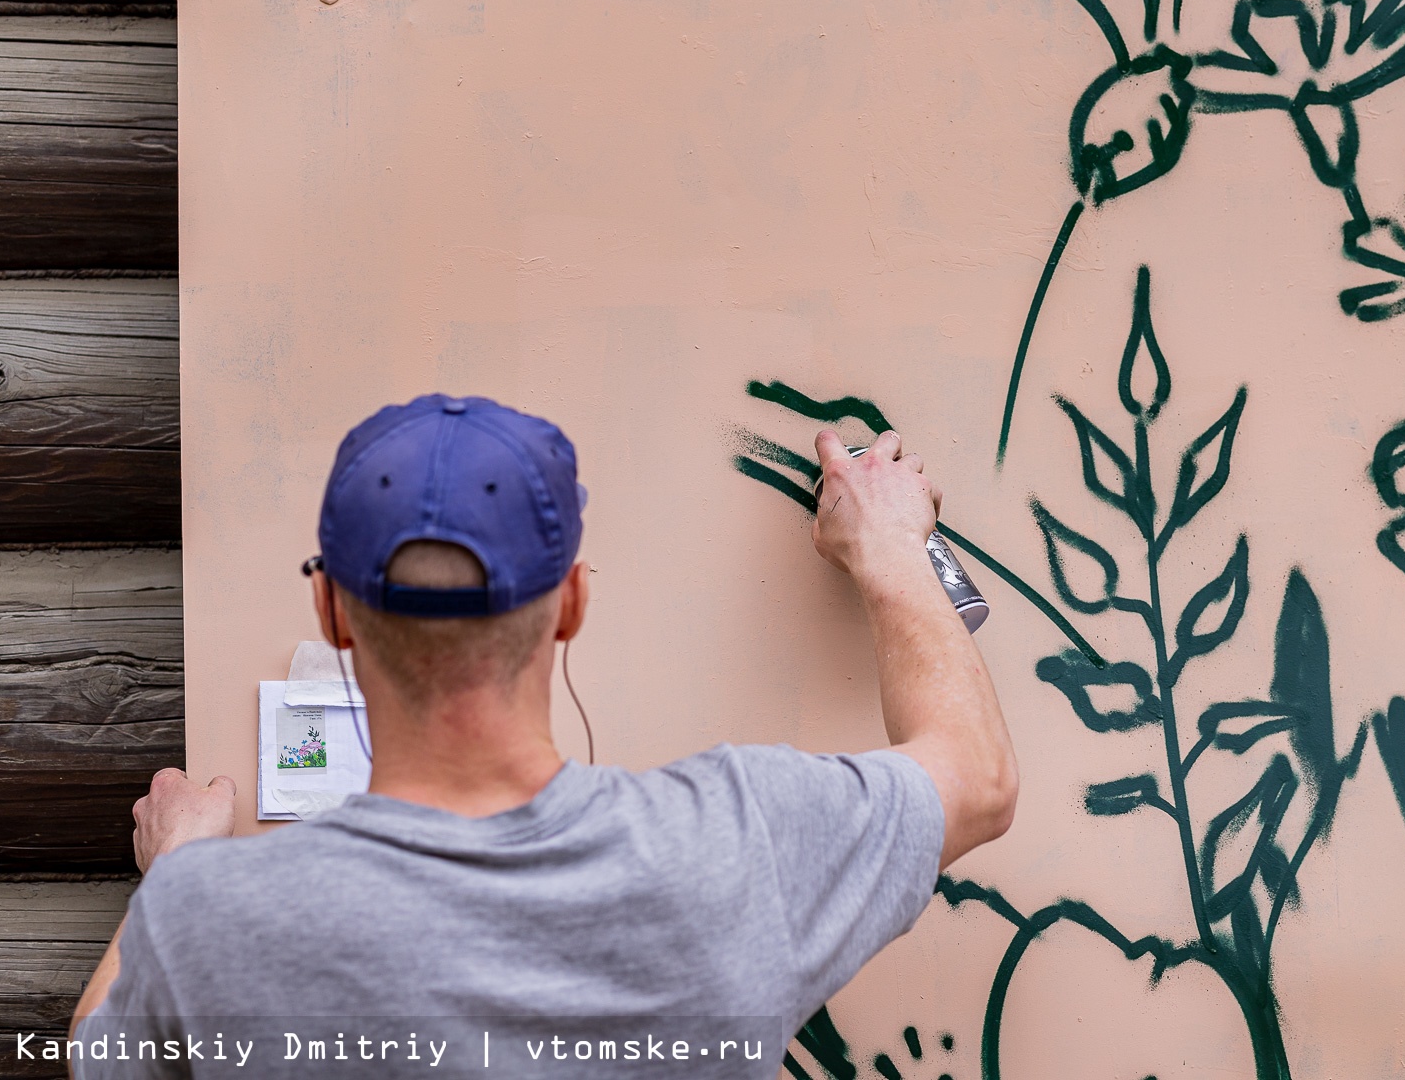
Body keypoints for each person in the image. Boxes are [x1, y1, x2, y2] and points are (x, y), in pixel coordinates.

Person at [70, 394, 1018, 1078]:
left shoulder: (211, 922)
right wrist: (893, 550)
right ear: (571, 603)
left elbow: (94, 1058)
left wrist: (179, 875)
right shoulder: (738, 843)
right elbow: (975, 779)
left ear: (332, 610)